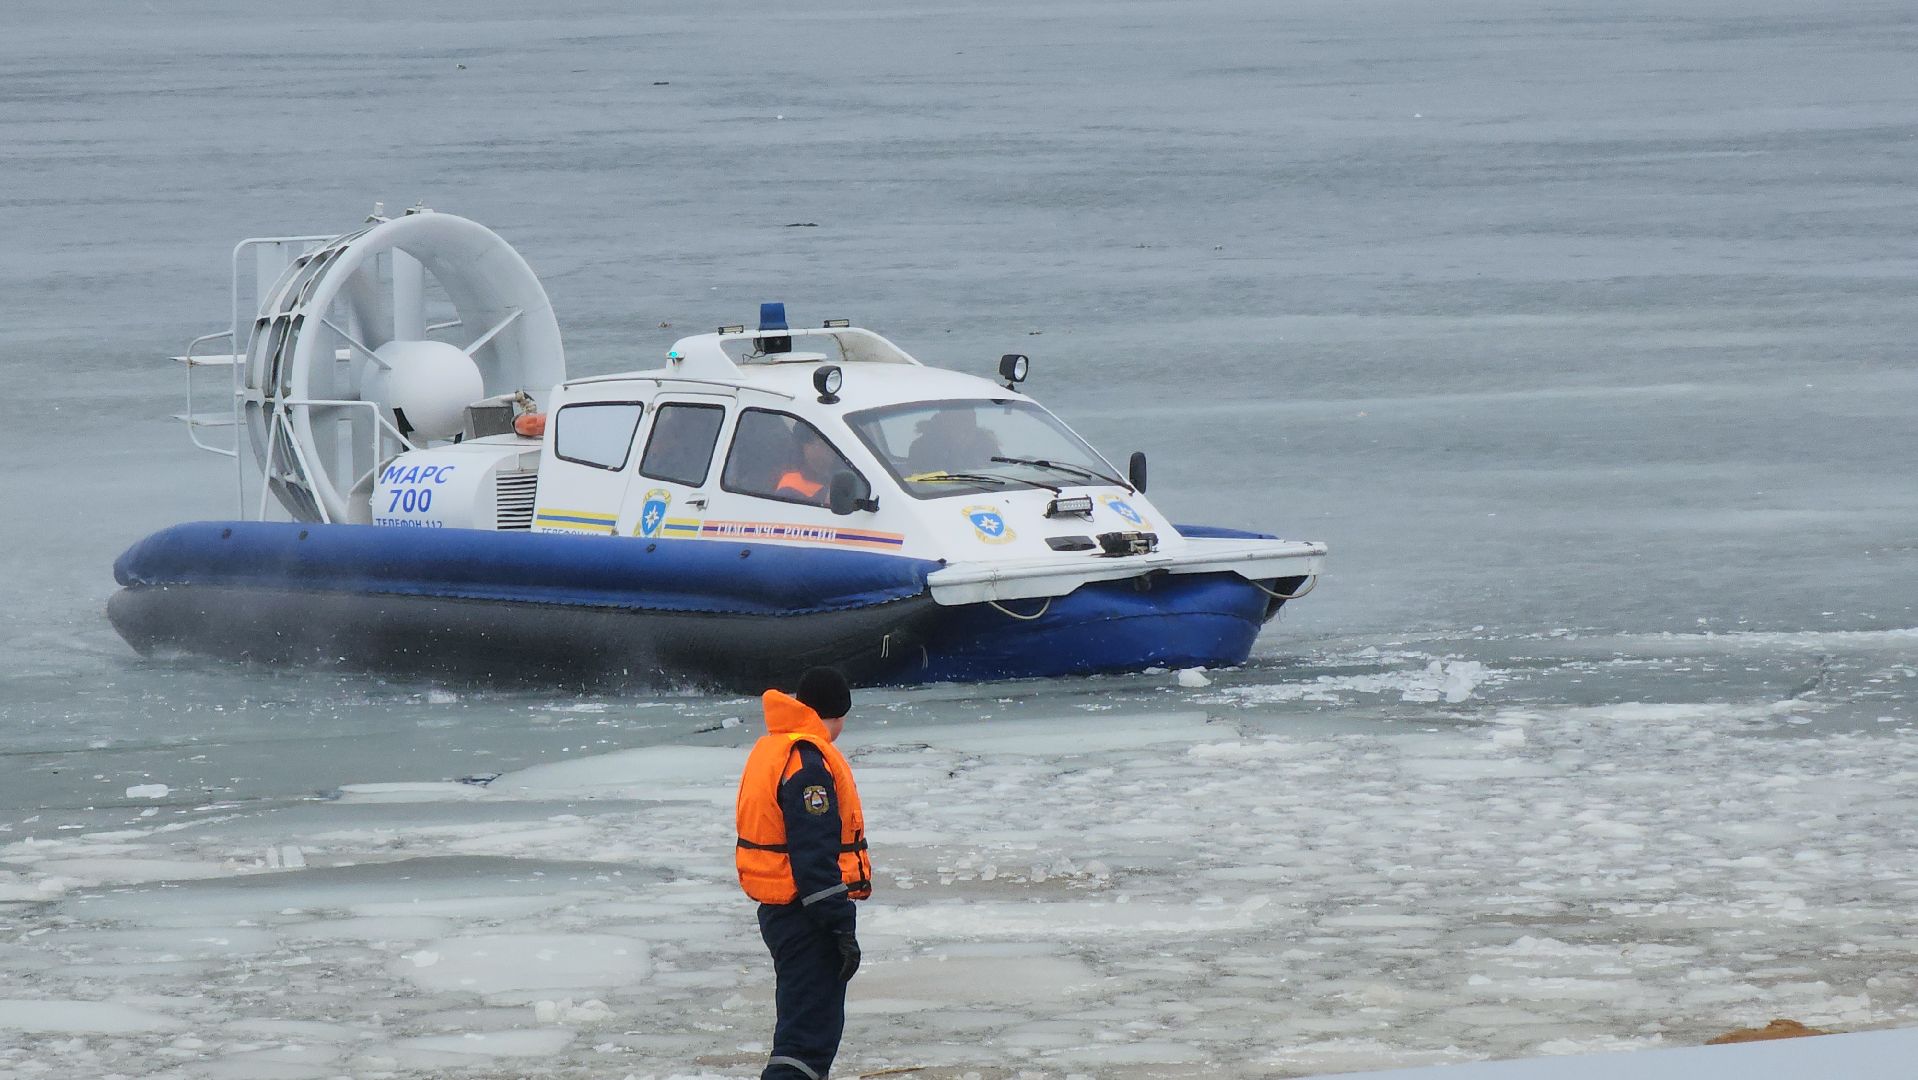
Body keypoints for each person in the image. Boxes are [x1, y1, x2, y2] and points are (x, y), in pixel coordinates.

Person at [736, 667, 872, 1080]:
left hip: (782, 910)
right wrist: (839, 926)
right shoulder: (808, 763)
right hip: (806, 915)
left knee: (802, 1030)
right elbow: (814, 857)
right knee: (807, 1042)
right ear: (839, 713)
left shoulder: (777, 749)